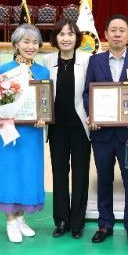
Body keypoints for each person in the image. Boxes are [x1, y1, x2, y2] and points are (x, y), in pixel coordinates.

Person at [83, 14, 128, 247]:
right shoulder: (95, 61)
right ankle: (105, 224)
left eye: (122, 30)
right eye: (113, 30)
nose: (117, 34)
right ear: (105, 34)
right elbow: (87, 93)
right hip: (102, 133)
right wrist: (91, 113)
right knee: (103, 179)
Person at [0, 23, 49, 243]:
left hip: (32, 131)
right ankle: (10, 220)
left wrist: (43, 116)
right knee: (9, 171)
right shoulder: (4, 69)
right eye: (26, 41)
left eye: (35, 42)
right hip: (9, 130)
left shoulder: (43, 71)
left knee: (28, 171)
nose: (31, 46)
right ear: (16, 44)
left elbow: (45, 102)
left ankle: (21, 217)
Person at [43, 18, 91, 239]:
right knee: (59, 173)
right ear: (56, 38)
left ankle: (78, 222)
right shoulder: (47, 60)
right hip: (56, 127)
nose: (66, 38)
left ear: (77, 37)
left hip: (80, 126)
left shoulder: (87, 60)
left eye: (70, 34)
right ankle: (61, 220)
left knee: (80, 174)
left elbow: (92, 92)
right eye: (61, 34)